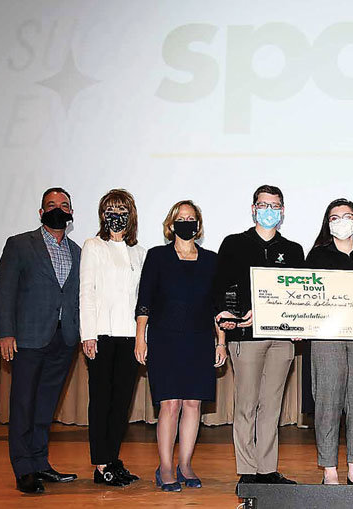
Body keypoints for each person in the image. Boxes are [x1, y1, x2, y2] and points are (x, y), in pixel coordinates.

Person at [212, 185, 304, 486]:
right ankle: (248, 470)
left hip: (282, 338)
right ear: (253, 209)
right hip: (245, 337)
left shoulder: (293, 250)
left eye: (275, 206)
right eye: (263, 205)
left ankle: (267, 469)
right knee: (246, 404)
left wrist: (301, 325)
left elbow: (300, 296)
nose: (269, 210)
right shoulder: (233, 244)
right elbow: (221, 291)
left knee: (271, 405)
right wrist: (230, 323)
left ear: (282, 211)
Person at [0, 187, 81, 494]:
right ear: (42, 212)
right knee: (23, 404)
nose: (59, 209)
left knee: (46, 405)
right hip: (28, 338)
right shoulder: (20, 245)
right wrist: (5, 332)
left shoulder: (79, 251)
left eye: (64, 205)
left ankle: (41, 462)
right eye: (52, 205)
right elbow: (4, 290)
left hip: (65, 339)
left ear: (71, 213)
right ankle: (23, 468)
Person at [135, 200, 225, 492]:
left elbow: (218, 306)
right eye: (181, 217)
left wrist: (221, 341)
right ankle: (165, 466)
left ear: (198, 225)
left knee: (193, 404)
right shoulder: (157, 256)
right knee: (170, 405)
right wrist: (140, 337)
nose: (186, 222)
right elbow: (145, 301)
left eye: (192, 218)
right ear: (171, 224)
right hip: (164, 339)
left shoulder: (211, 260)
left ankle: (185, 463)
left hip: (199, 339)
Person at [305, 198, 353, 485]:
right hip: (327, 337)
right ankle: (329, 470)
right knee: (328, 400)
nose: (341, 221)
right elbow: (305, 298)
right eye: (335, 217)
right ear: (328, 223)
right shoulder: (316, 255)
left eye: (347, 215)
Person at [79, 189, 146, 486]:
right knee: (102, 401)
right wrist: (88, 335)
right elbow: (87, 292)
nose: (116, 215)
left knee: (122, 403)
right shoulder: (93, 246)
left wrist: (143, 337)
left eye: (122, 209)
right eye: (110, 209)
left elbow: (144, 300)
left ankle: (114, 459)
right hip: (102, 335)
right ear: (102, 215)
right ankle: (100, 465)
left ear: (130, 216)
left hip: (130, 336)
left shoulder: (139, 252)